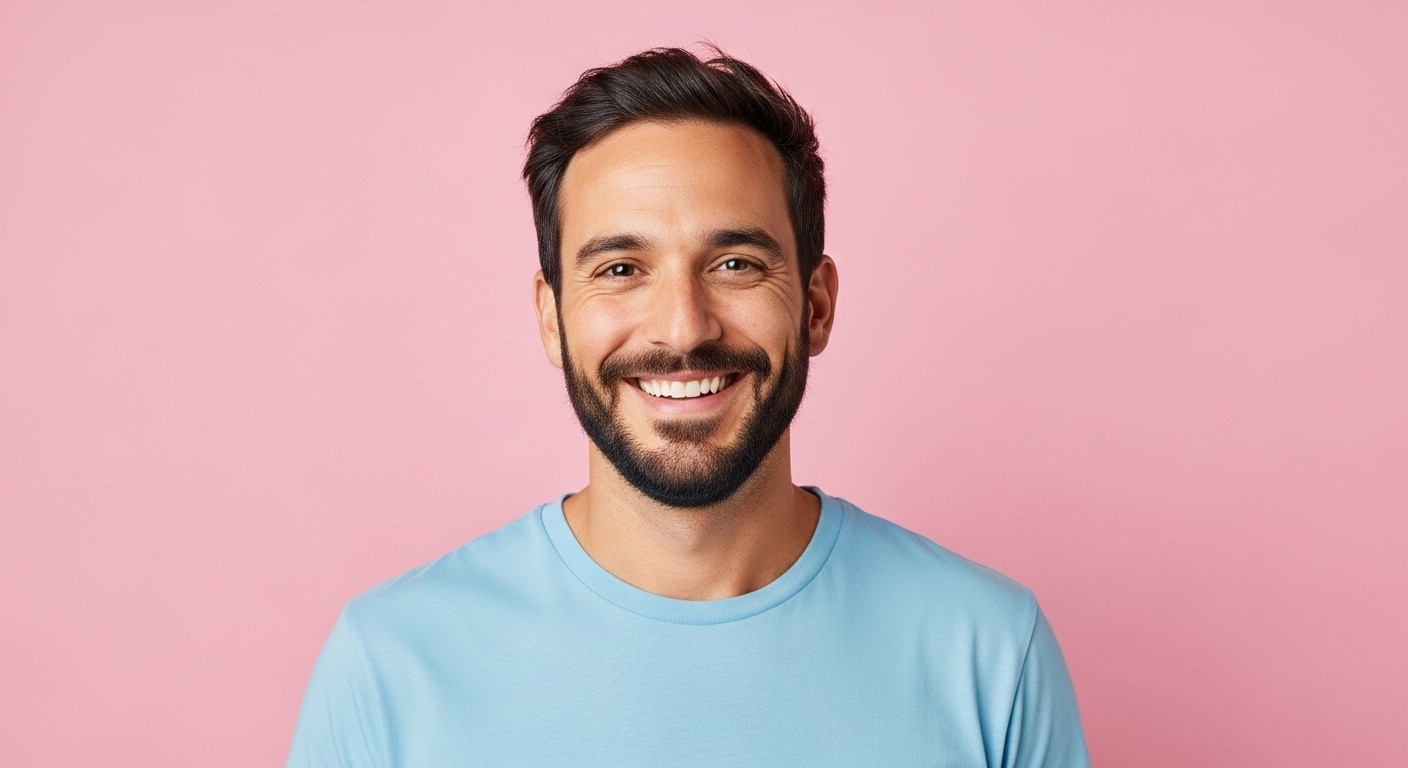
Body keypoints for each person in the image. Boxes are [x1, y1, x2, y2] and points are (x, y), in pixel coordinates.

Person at [288, 46, 1090, 767]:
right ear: (550, 317)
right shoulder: (390, 666)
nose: (683, 327)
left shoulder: (988, 652)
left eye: (736, 263)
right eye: (619, 269)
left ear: (815, 306)